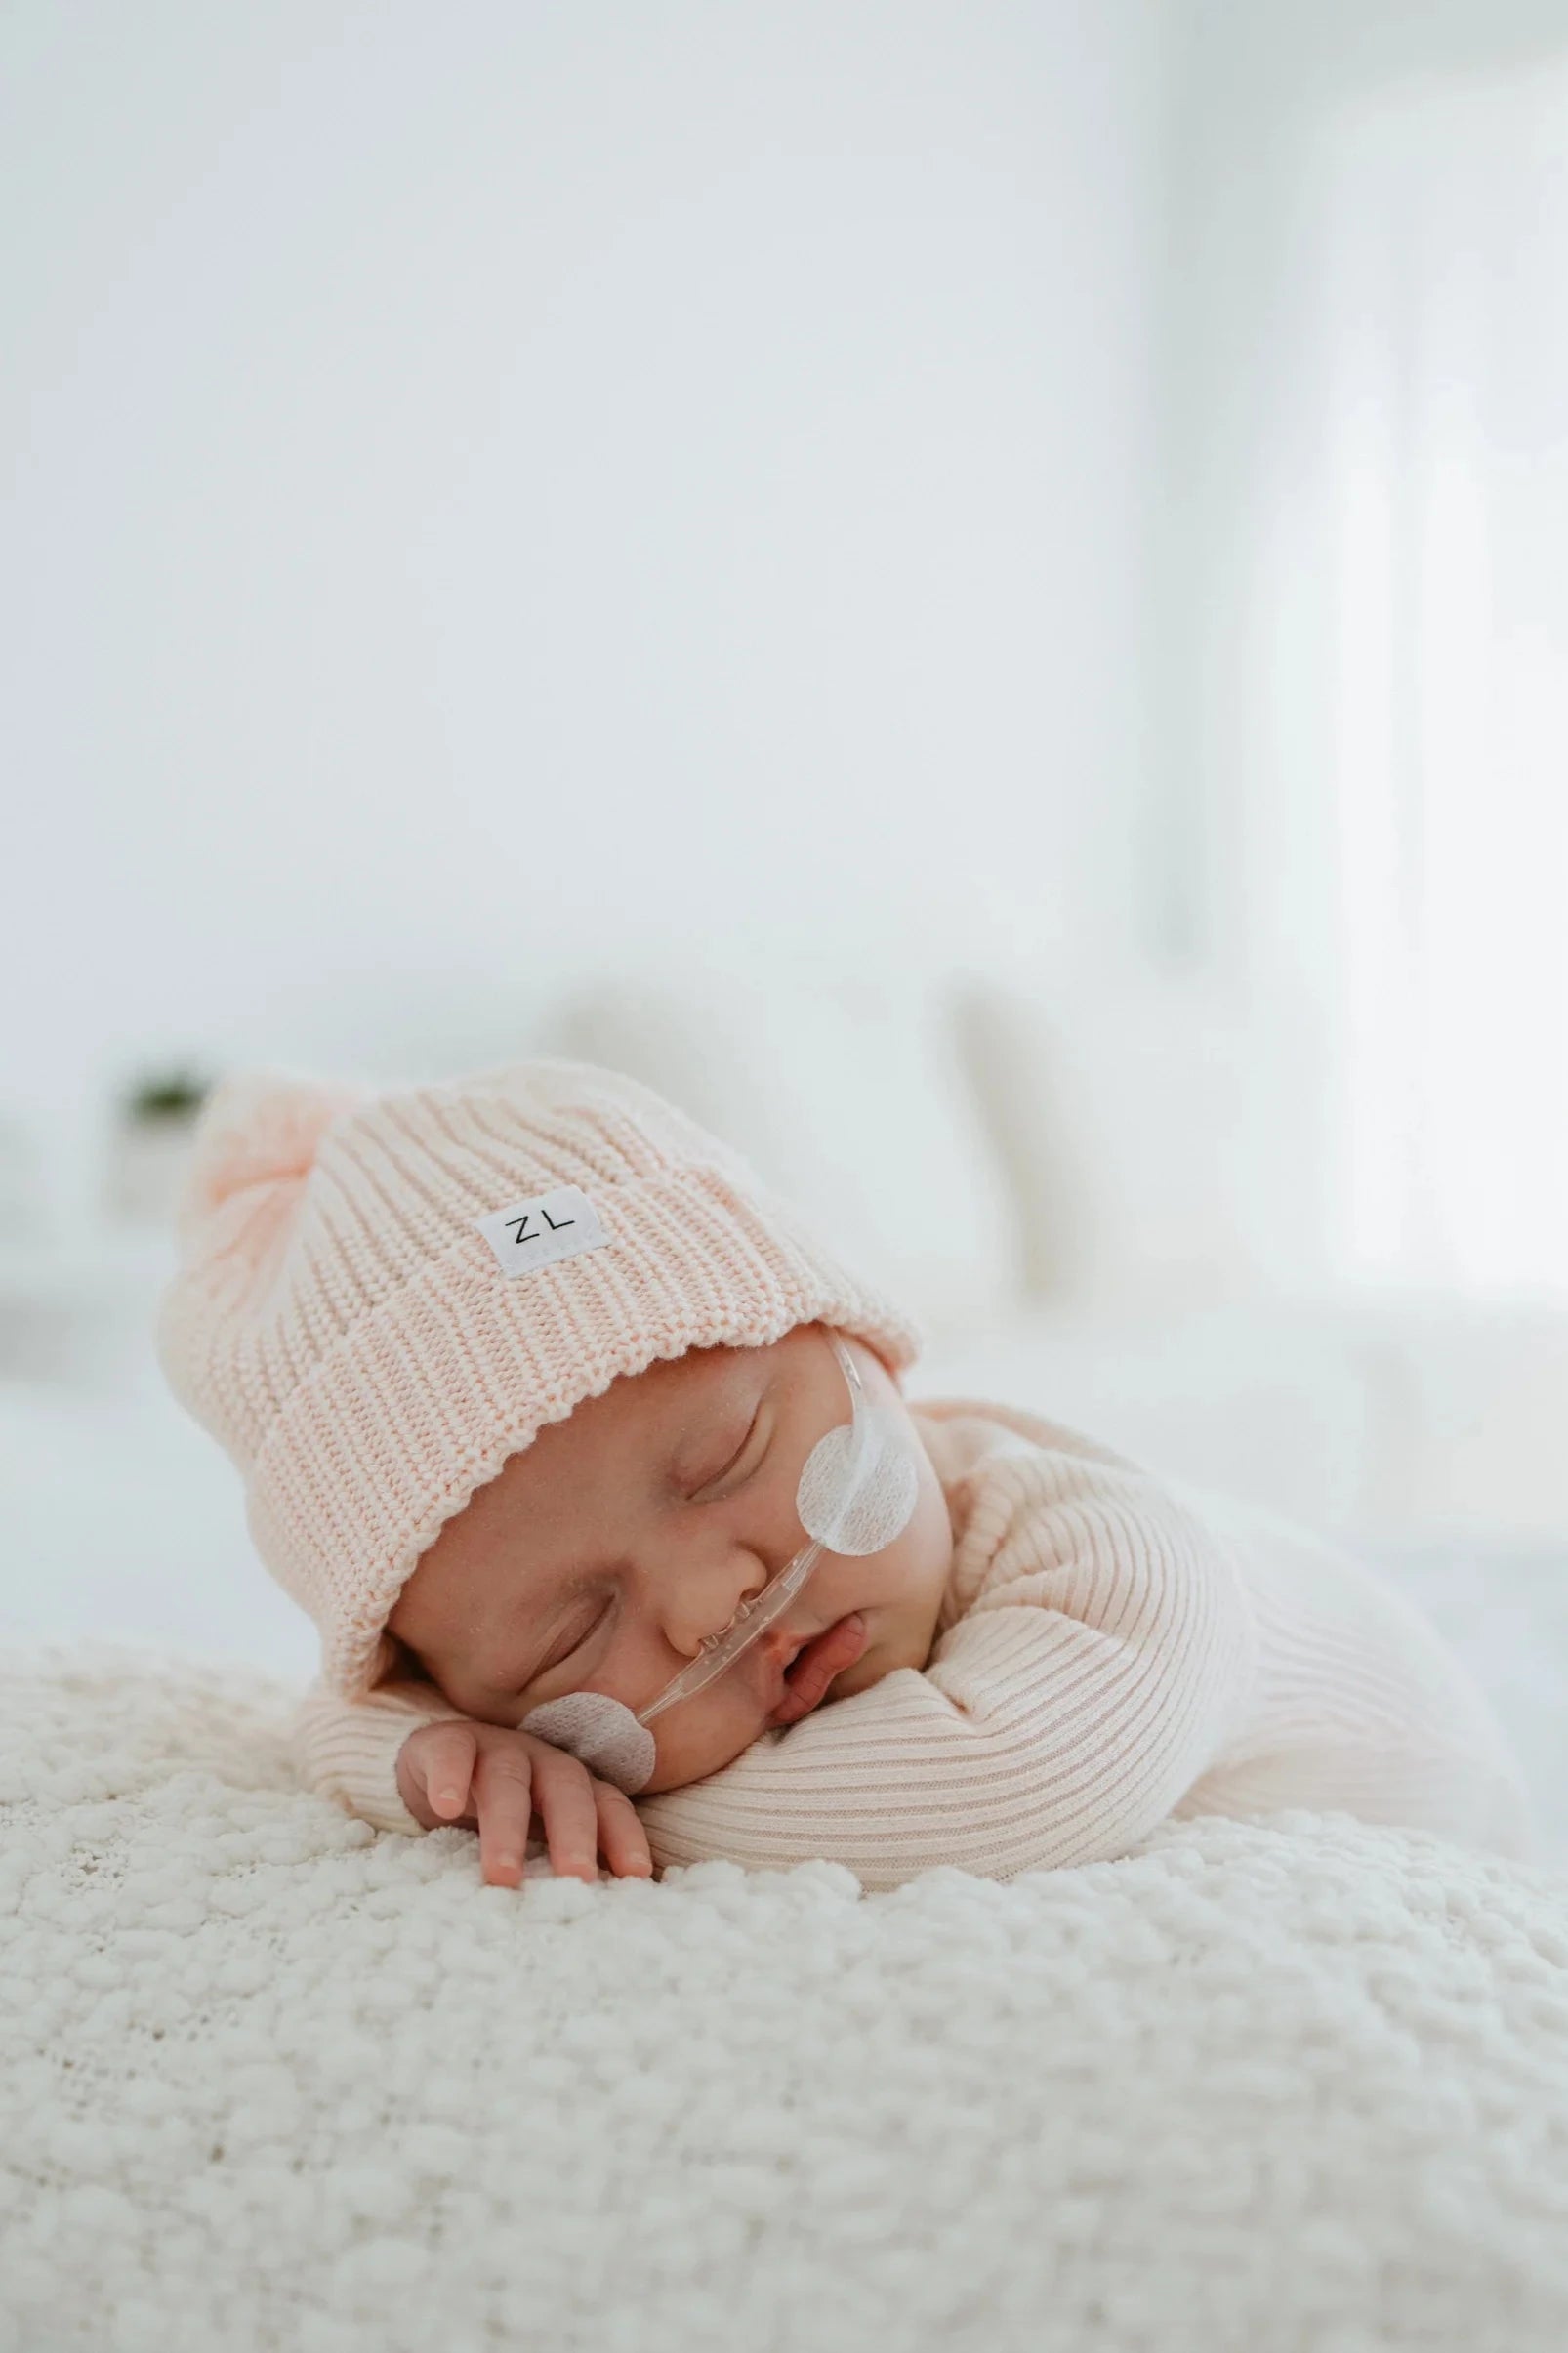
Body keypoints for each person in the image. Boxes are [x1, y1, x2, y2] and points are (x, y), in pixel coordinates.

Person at [157, 1058, 1535, 1895]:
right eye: (570, 1633)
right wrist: (425, 1753)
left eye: (724, 1461)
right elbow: (333, 1712)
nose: (712, 1604)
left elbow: (1006, 1789)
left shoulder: (1107, 1550)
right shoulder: (454, 1680)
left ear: (863, 1351)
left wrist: (614, 1797)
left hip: (1471, 1821)